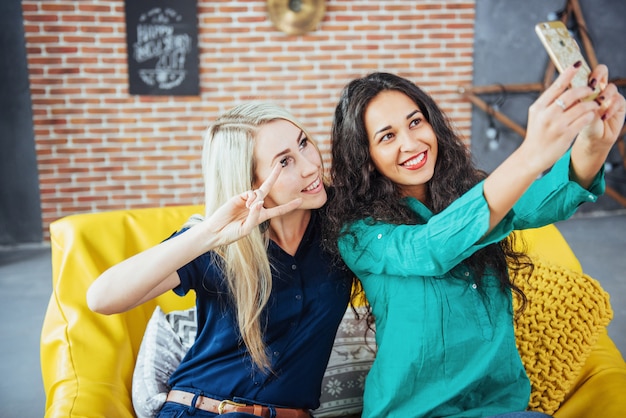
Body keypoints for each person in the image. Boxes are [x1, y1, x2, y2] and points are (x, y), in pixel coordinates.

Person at [324, 65, 625, 417]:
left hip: (500, 407)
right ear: (366, 157)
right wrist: (531, 155)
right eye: (387, 136)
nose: (411, 143)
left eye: (415, 122)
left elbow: (545, 198)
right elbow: (430, 247)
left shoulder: (471, 193)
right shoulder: (359, 232)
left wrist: (595, 142)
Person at [87, 102, 353, 418]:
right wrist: (210, 232)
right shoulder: (218, 241)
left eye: (303, 143)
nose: (311, 166)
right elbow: (101, 298)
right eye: (284, 162)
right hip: (198, 408)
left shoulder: (344, 218)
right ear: (251, 181)